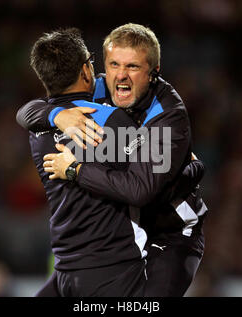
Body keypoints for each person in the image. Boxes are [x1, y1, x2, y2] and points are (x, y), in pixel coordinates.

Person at [17, 24, 208, 296]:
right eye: (114, 64)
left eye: (132, 67)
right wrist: (56, 115)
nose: (120, 75)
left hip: (171, 233)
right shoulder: (99, 88)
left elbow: (141, 190)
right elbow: (26, 111)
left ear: (154, 72)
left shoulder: (167, 115)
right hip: (129, 231)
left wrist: (75, 170)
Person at [25, 28, 149, 297]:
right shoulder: (112, 120)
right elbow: (145, 188)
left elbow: (27, 111)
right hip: (112, 270)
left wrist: (56, 113)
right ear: (85, 70)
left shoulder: (37, 128)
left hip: (65, 269)